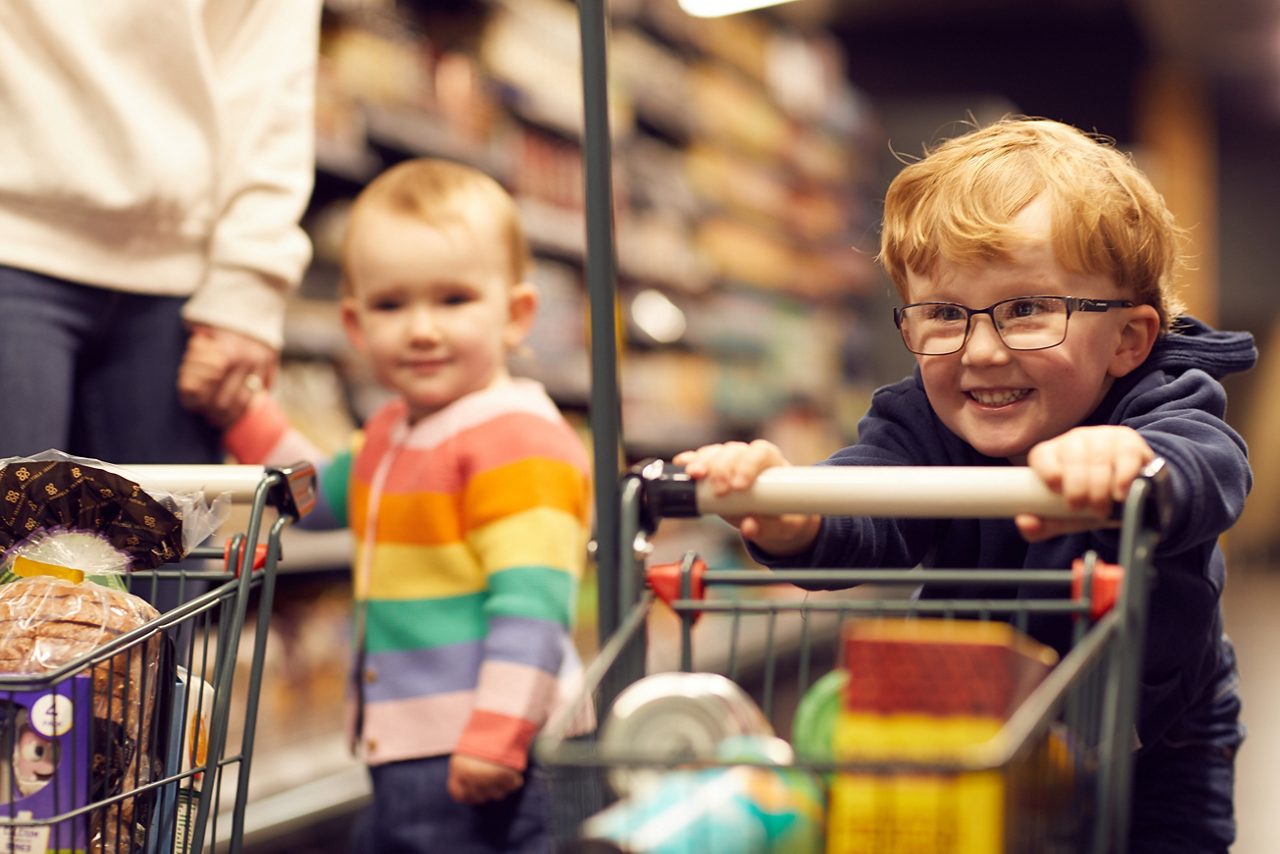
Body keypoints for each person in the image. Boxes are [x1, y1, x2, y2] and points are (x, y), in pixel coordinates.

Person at [676, 117, 1254, 852]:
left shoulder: (1162, 402)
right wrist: (794, 513)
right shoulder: (924, 419)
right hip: (967, 727)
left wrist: (1129, 459)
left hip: (1149, 740)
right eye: (945, 315)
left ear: (1129, 340)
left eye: (1027, 310)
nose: (981, 351)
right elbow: (873, 491)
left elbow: (1212, 466)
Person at [185, 157, 591, 853]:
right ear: (354, 323)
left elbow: (534, 605)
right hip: (414, 751)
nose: (421, 329)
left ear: (517, 314)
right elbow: (318, 498)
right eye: (391, 305)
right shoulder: (394, 432)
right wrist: (245, 413)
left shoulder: (515, 439)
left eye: (454, 299)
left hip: (491, 753)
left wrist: (498, 734)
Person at [0, 1, 320, 463]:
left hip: (180, 292)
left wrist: (249, 286)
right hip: (12, 245)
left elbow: (272, 73)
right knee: (14, 534)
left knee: (170, 535)